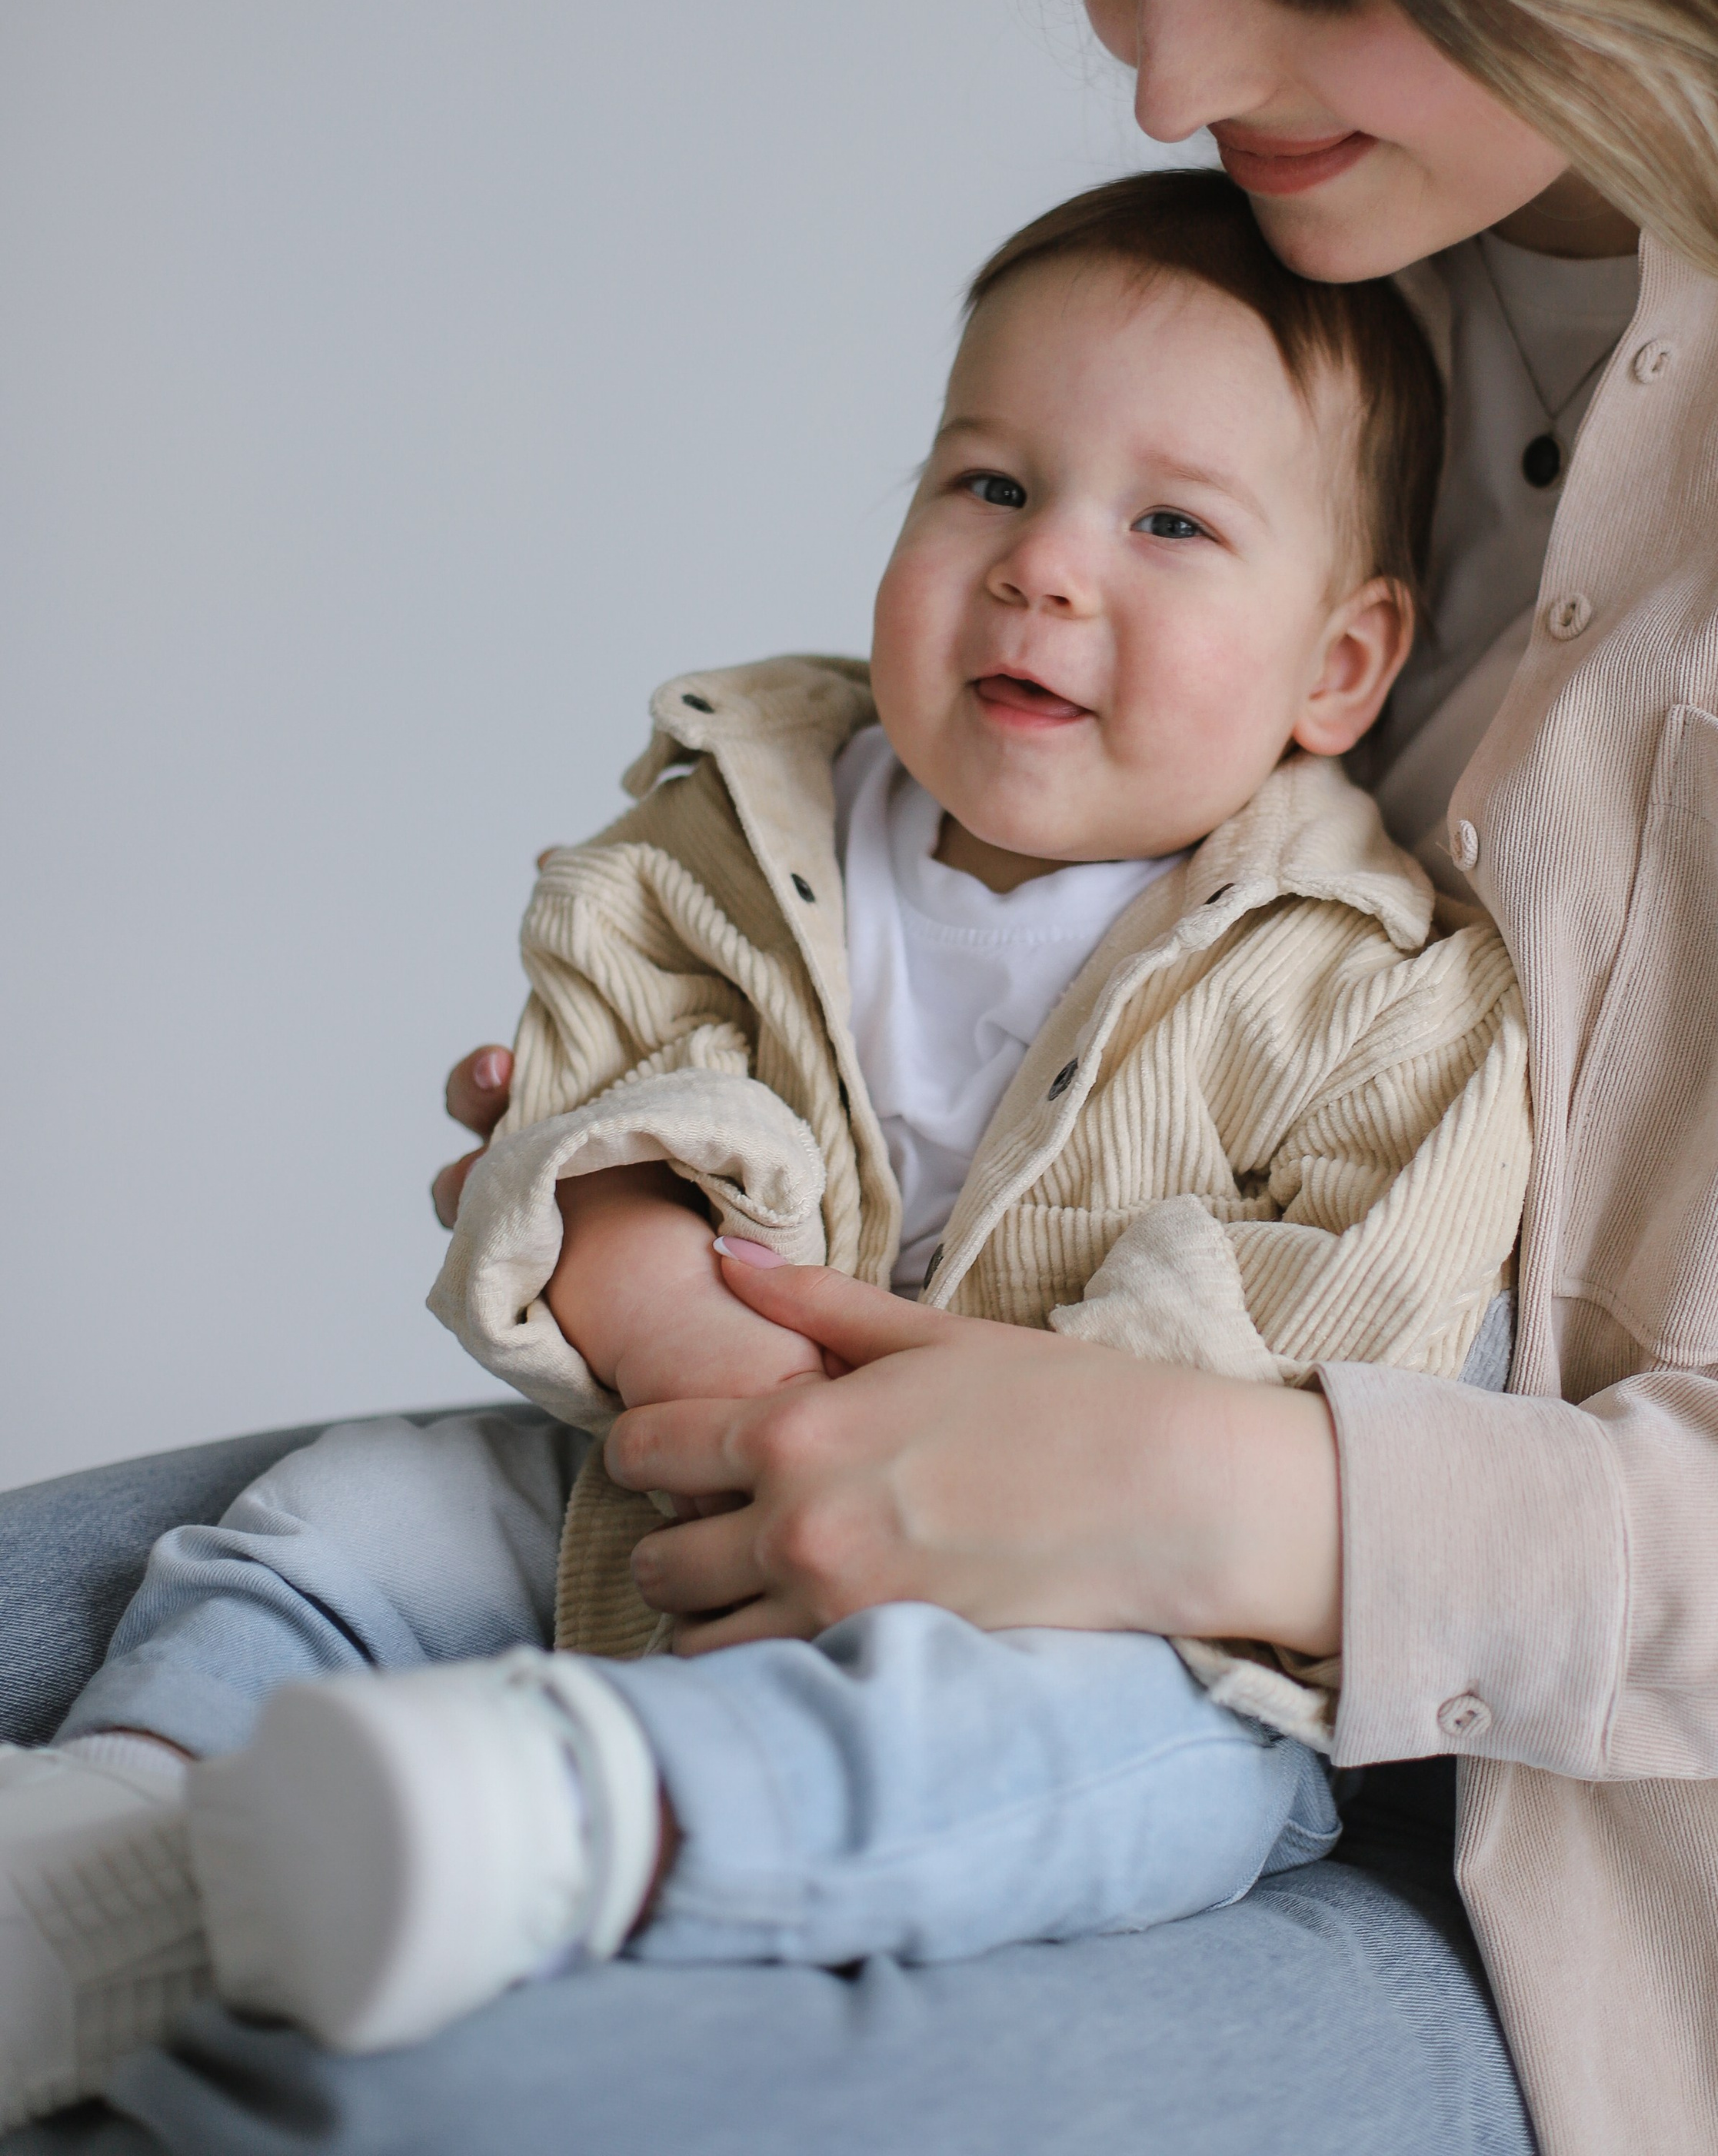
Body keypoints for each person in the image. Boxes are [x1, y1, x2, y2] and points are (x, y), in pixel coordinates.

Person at [12, 0, 1718, 2148]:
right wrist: (688, 1176)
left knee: (376, 2081)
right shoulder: (1288, 307)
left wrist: (1237, 1498)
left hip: (1590, 1882)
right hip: (875, 1498)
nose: (1170, 91)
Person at [4, 171, 1531, 2102]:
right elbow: (588, 1105)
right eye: (987, 483)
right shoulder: (742, 824)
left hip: (1085, 1610)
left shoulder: (1375, 981)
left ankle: (584, 1824)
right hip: (657, 1480)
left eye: (1166, 523)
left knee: (1142, 1778)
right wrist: (685, 1342)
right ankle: (117, 1840)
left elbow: (1368, 1316)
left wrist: (1026, 1475)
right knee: (343, 1516)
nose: (1048, 567)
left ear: (1339, 664)